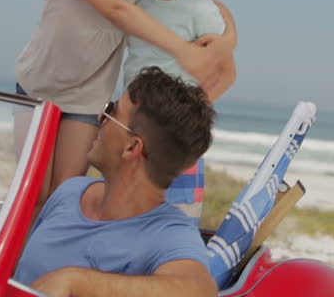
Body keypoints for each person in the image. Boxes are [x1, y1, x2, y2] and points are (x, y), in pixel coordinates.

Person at [13, 0, 237, 214]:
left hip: (89, 100)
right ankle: (19, 262)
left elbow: (200, 2)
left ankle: (50, 259)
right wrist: (183, 52)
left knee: (62, 196)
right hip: (39, 90)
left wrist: (229, 39)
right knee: (31, 193)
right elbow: (117, 10)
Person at [14, 66, 217, 297]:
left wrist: (75, 281)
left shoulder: (169, 234)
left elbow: (200, 291)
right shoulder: (71, 192)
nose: (101, 118)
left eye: (111, 111)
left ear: (132, 147)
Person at [123, 0, 236, 224]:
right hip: (133, 129)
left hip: (175, 135)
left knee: (174, 219)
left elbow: (227, 74)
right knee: (128, 212)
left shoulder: (201, 11)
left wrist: (182, 119)